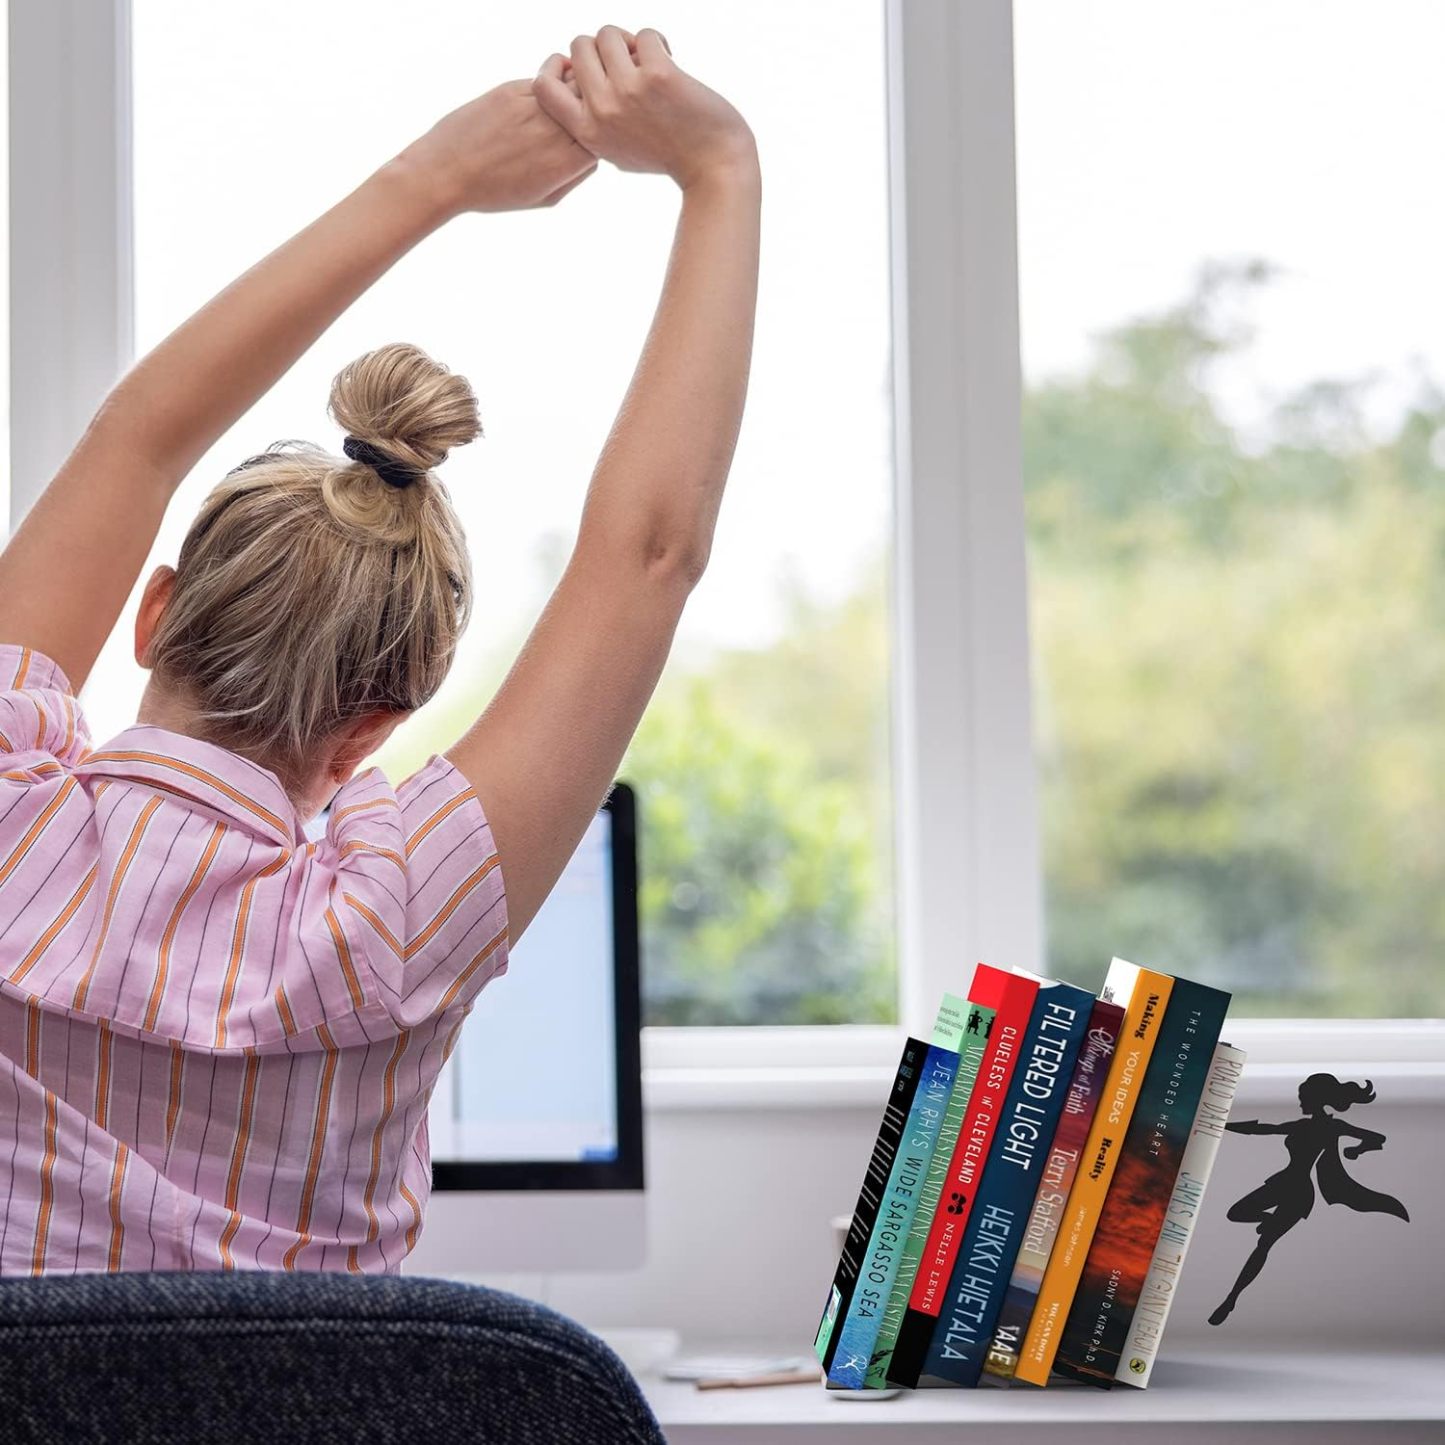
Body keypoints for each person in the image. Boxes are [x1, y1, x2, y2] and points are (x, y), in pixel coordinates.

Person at [0, 27, 760, 1274]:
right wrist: (719, 170)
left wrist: (434, 179)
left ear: (153, 613)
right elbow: (648, 558)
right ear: (375, 726)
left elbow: (134, 440)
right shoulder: (392, 915)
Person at [1209, 1073, 1409, 1325]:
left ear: (1316, 1099)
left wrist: (1356, 1150)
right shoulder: (1302, 1126)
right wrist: (1220, 1124)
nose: (1300, 1101)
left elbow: (1377, 1138)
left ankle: (1231, 1299)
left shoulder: (1333, 1127)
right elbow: (1264, 1130)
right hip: (1283, 1182)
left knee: (1264, 1245)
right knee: (1236, 1213)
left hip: (1300, 1192)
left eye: (1303, 1097)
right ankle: (1266, 1220)